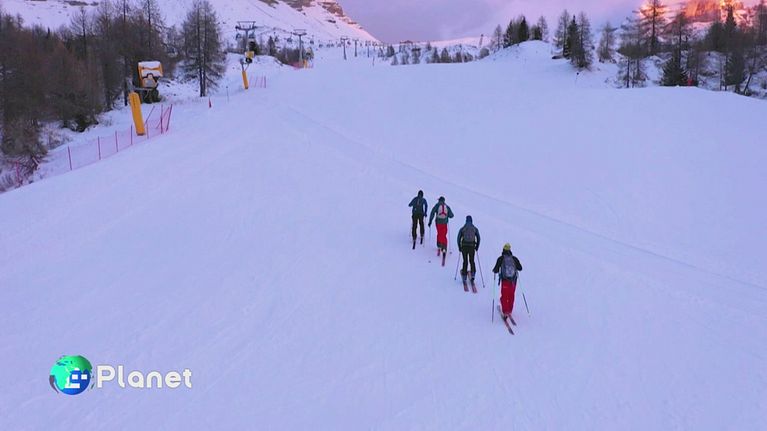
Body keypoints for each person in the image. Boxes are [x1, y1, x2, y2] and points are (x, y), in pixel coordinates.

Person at [492, 244, 523, 318]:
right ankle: (510, 310)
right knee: (511, 295)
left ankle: (505, 311)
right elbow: (520, 268)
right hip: (513, 281)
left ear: (503, 250)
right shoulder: (514, 258)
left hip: (505, 281)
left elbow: (496, 269)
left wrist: (495, 270)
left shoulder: (501, 259)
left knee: (504, 296)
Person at [456, 215, 480, 282]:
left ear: (466, 220)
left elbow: (458, 238)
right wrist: (477, 247)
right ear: (471, 221)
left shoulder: (463, 228)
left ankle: (464, 276)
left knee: (465, 261)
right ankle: (473, 274)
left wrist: (459, 247)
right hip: (472, 246)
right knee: (472, 260)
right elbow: (479, 238)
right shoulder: (474, 228)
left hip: (464, 246)